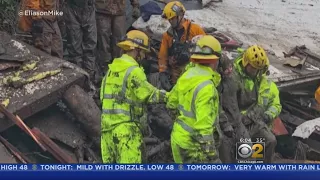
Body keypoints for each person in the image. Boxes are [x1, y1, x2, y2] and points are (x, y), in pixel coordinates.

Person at [100, 30, 167, 163]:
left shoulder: (110, 71)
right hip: (126, 133)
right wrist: (172, 96)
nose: (143, 56)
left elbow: (103, 98)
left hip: (106, 133)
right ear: (135, 50)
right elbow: (149, 94)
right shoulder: (134, 71)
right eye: (142, 52)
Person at [166, 35, 222, 163]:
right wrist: (213, 157)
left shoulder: (187, 75)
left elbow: (170, 103)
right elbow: (204, 129)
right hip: (192, 147)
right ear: (215, 60)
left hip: (178, 140)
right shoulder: (207, 87)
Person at [221, 45, 278, 163]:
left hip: (252, 118)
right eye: (253, 68)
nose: (255, 72)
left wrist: (256, 116)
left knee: (270, 140)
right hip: (236, 121)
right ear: (246, 62)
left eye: (258, 69)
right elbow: (231, 108)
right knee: (243, 149)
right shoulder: (233, 77)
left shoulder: (258, 77)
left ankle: (262, 169)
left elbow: (262, 103)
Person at [158, 1, 206, 90]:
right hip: (176, 75)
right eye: (169, 19)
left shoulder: (195, 30)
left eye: (173, 18)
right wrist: (163, 72)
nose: (171, 21)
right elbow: (162, 55)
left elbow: (207, 48)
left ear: (180, 15)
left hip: (194, 73)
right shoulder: (167, 35)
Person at [95, 0, 140, 71]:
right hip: (102, 9)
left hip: (119, 10)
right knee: (103, 39)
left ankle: (118, 63)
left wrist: (135, 5)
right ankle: (104, 66)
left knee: (120, 39)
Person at [65, 0, 98, 82]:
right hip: (72, 7)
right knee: (74, 46)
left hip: (89, 7)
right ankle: (78, 77)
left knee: (91, 45)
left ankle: (90, 77)